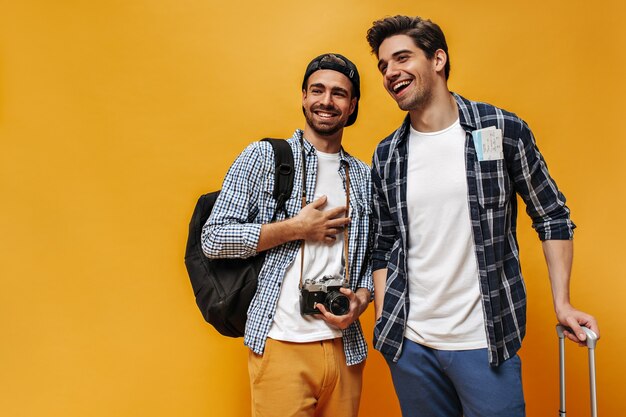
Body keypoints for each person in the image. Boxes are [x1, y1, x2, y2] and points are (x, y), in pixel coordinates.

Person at [365, 15, 599, 417]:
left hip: (485, 339)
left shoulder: (501, 129)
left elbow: (552, 215)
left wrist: (563, 304)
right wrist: (387, 324)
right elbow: (384, 244)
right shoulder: (388, 154)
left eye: (401, 58)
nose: (390, 73)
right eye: (384, 65)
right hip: (411, 344)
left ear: (438, 60)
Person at [201, 53, 372, 417]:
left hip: (346, 348)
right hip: (281, 343)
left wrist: (362, 298)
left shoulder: (363, 176)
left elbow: (376, 255)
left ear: (352, 104)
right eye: (318, 90)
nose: (326, 101)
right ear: (303, 97)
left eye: (339, 94)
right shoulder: (264, 157)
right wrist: (296, 228)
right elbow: (213, 238)